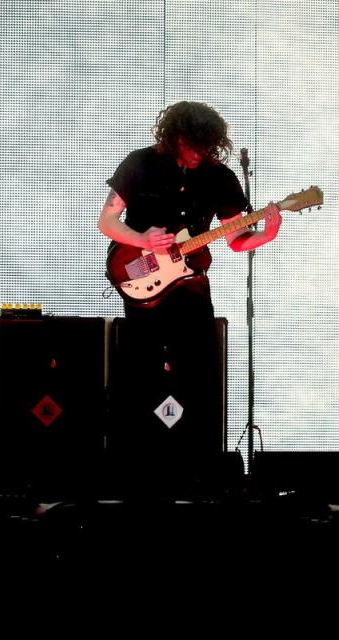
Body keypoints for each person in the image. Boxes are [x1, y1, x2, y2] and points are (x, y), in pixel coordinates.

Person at [98, 100, 281, 453]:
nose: (198, 153)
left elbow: (234, 239)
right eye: (191, 144)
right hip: (143, 278)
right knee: (140, 369)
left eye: (206, 146)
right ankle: (134, 457)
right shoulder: (140, 163)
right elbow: (106, 222)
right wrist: (141, 239)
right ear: (174, 136)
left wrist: (266, 235)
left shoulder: (219, 177)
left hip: (190, 284)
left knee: (200, 367)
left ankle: (196, 458)